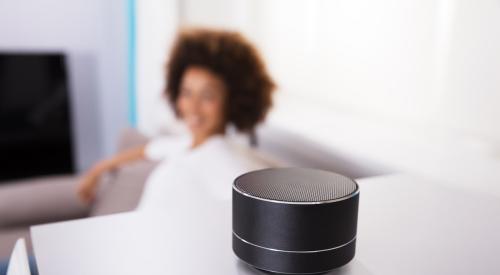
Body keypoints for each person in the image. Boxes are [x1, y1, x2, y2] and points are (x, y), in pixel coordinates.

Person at [77, 28, 276, 210]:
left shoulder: (221, 156)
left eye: (207, 96)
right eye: (187, 92)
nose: (193, 106)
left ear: (232, 100)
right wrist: (97, 170)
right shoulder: (187, 143)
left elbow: (262, 202)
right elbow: (147, 150)